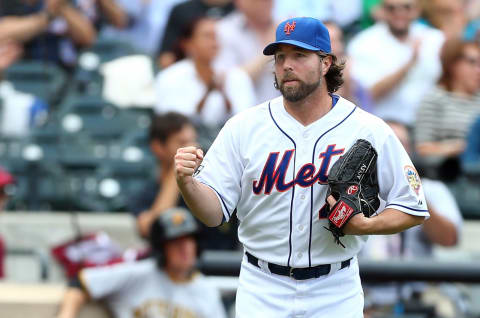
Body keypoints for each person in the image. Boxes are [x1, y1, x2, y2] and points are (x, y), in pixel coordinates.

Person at [174, 17, 428, 317]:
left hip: (335, 287)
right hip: (261, 286)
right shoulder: (244, 127)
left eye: (299, 55)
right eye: (280, 57)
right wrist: (188, 185)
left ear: (326, 63)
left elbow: (412, 207)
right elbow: (213, 214)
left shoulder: (368, 129)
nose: (286, 65)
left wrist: (367, 225)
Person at [361, 121, 463, 317]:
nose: (393, 151)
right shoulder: (352, 192)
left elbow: (449, 239)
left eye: (401, 144)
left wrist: (414, 193)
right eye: (388, 144)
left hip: (420, 295)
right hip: (365, 296)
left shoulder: (432, 189)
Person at [56, 207, 227, 318]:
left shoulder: (206, 290)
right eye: (176, 242)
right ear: (162, 248)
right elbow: (80, 282)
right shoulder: (139, 274)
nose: (185, 248)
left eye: (189, 240)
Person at [347, 0, 445, 126]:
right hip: (385, 125)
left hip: (429, 126)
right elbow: (367, 95)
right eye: (392, 8)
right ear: (382, 10)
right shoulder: (363, 43)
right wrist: (409, 64)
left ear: (417, 10)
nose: (400, 13)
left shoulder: (436, 39)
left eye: (407, 7)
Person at [154, 16, 255, 131]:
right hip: (187, 147)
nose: (214, 43)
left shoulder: (236, 76)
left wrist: (224, 94)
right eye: (207, 36)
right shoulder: (169, 77)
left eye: (217, 37)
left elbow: (247, 122)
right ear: (187, 43)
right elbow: (170, 126)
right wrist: (206, 94)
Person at [414, 38, 480, 180]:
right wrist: (458, 147)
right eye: (472, 62)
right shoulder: (435, 99)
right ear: (452, 64)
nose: (478, 70)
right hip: (446, 176)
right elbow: (421, 150)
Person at [129, 112, 197, 238]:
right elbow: (149, 229)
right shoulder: (145, 193)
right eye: (182, 143)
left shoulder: (208, 184)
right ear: (158, 147)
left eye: (193, 141)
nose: (193, 149)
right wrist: (178, 171)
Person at [0, 0, 96, 69]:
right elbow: (3, 32)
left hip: (64, 71)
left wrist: (62, 8)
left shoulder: (64, 4)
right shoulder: (10, 4)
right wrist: (48, 16)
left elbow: (88, 39)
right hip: (25, 71)